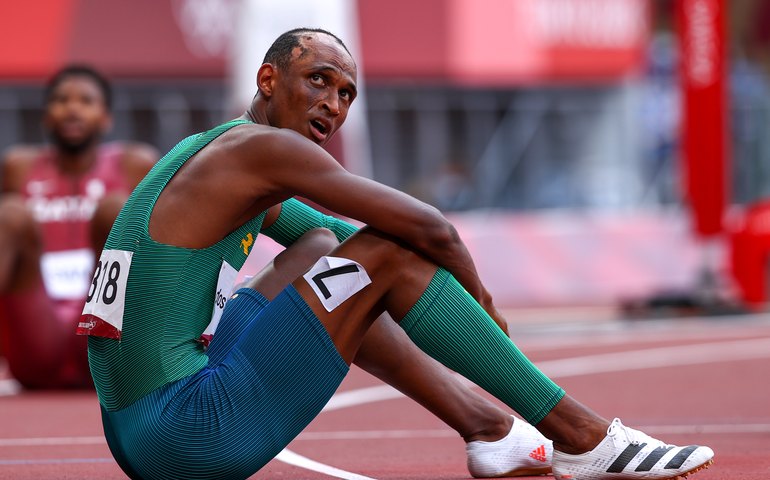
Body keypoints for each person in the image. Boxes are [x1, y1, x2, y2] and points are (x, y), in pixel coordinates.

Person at [78, 28, 715, 480]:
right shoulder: (263, 151)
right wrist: (485, 310)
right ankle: (582, 436)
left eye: (346, 94)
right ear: (268, 80)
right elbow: (428, 231)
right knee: (387, 256)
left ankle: (487, 430)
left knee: (325, 252)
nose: (332, 104)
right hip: (188, 437)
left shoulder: (218, 151)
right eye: (318, 81)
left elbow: (330, 236)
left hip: (135, 433)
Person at [0, 65, 158, 388]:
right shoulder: (19, 167)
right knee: (12, 213)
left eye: (85, 100)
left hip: (102, 325)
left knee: (116, 209)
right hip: (37, 323)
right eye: (60, 100)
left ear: (106, 117)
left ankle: (153, 355)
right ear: (46, 116)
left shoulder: (135, 163)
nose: (72, 108)